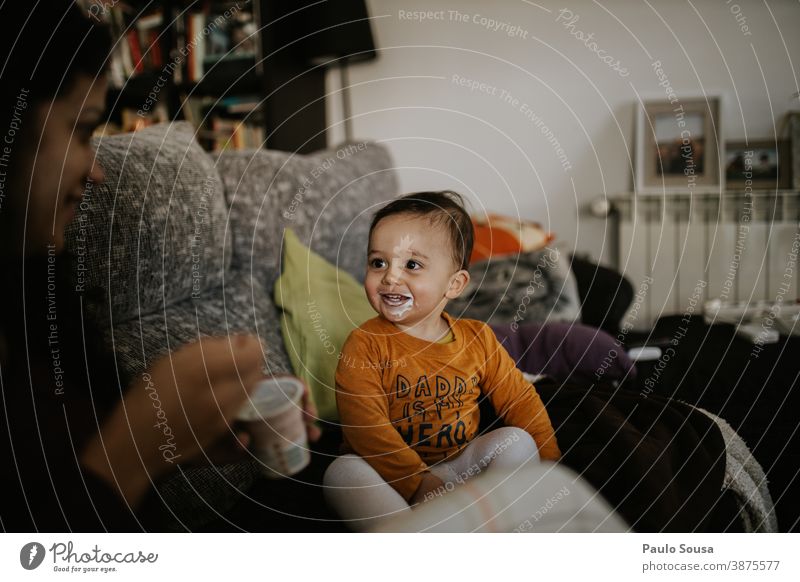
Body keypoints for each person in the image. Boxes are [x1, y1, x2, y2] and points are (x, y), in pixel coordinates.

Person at [0, 1, 317, 531]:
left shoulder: (37, 298)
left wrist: (194, 434)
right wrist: (143, 441)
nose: (97, 171)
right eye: (82, 131)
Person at [324, 191, 561, 529]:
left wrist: (550, 466)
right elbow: (366, 427)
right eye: (378, 262)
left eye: (412, 265)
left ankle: (488, 525)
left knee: (516, 441)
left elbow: (520, 399)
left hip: (459, 466)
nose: (390, 277)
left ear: (454, 284)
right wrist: (417, 483)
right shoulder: (365, 345)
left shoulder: (477, 339)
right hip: (388, 476)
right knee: (342, 473)